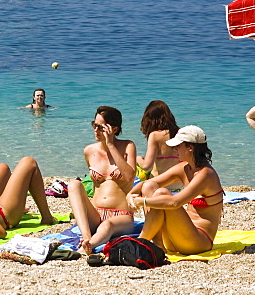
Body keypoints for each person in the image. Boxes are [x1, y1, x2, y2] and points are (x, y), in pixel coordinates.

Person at [127, 125, 223, 255]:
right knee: (150, 187)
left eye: (178, 146)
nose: (174, 150)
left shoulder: (206, 175)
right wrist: (131, 194)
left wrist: (141, 201)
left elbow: (175, 203)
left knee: (162, 193)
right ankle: (157, 243)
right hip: (177, 236)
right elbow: (150, 183)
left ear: (190, 148)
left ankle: (142, 241)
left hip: (198, 241)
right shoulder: (185, 168)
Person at [67, 106, 137, 254]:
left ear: (114, 129)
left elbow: (129, 176)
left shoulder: (127, 147)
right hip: (96, 214)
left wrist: (111, 145)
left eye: (100, 127)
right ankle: (86, 236)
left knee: (107, 226)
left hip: (121, 215)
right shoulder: (89, 151)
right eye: (94, 125)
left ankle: (87, 247)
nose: (95, 130)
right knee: (74, 185)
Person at [136, 100, 181, 185]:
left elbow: (147, 166)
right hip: (179, 185)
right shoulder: (181, 132)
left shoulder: (155, 135)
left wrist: (137, 159)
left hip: (159, 185)